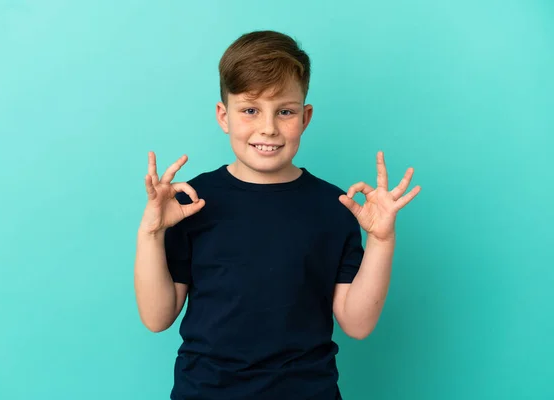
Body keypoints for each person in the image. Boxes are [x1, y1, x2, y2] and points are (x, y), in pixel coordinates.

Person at [134, 30, 421, 400]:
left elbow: (358, 323)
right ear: (224, 116)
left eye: (284, 111)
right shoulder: (191, 202)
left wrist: (381, 240)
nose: (268, 127)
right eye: (250, 110)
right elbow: (157, 317)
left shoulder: (334, 207)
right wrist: (151, 232)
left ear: (305, 117)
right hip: (205, 391)